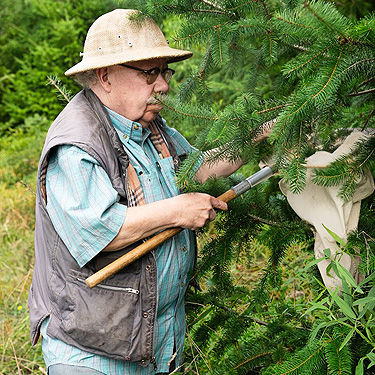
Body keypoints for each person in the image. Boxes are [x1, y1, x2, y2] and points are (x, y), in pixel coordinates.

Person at [28, 9, 244, 375]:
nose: (163, 85)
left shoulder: (150, 127)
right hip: (92, 353)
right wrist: (177, 211)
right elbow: (101, 230)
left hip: (153, 343)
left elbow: (200, 168)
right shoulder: (77, 142)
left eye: (165, 72)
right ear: (105, 76)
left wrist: (264, 137)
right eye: (150, 73)